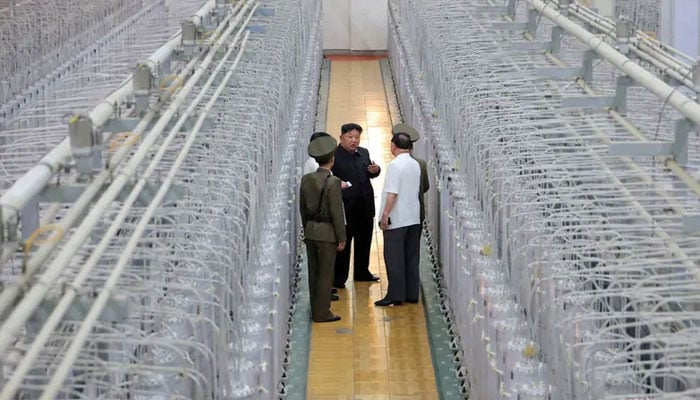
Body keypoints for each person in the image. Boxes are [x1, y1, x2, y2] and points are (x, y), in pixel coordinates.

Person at [299, 134, 347, 322]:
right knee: (326, 274)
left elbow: (302, 208)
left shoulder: (307, 179)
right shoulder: (333, 182)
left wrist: (307, 227)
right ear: (332, 160)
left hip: (311, 230)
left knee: (314, 273)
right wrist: (341, 237)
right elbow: (336, 212)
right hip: (327, 233)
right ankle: (322, 312)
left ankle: (314, 308)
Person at [331, 123, 381, 288]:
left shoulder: (363, 153)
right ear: (341, 138)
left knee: (364, 241)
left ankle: (362, 272)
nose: (354, 141)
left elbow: (368, 173)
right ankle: (339, 278)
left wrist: (375, 170)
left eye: (356, 137)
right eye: (350, 137)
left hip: (365, 208)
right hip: (346, 209)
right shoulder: (334, 157)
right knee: (343, 246)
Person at [375, 132, 421, 306]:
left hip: (398, 219)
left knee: (394, 259)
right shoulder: (415, 164)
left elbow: (392, 193)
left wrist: (385, 215)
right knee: (411, 257)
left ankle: (395, 295)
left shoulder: (395, 166)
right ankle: (411, 293)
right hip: (413, 217)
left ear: (393, 146)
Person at [392, 123, 429, 224]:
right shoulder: (421, 164)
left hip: (399, 217)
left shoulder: (394, 165)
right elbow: (425, 187)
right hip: (416, 214)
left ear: (394, 146)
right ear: (411, 147)